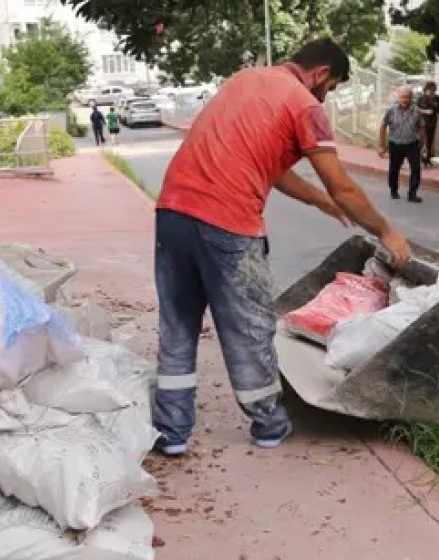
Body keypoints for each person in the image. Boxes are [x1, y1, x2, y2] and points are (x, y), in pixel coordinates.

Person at [151, 37, 412, 455]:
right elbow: (342, 184)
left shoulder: (244, 81)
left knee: (178, 326)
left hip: (173, 213)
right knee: (249, 328)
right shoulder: (303, 104)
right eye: (334, 87)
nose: (329, 97)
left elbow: (267, 167)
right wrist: (387, 232)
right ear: (322, 74)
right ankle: (269, 423)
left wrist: (318, 201)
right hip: (228, 224)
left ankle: (171, 432)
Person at [377, 86, 427, 203]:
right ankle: (393, 190)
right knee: (394, 168)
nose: (405, 100)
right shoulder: (391, 110)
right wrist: (381, 145)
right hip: (395, 144)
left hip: (412, 144)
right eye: (402, 97)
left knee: (416, 168)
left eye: (407, 97)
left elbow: (422, 128)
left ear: (411, 98)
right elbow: (383, 126)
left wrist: (424, 144)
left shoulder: (417, 111)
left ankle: (412, 194)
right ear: (398, 97)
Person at [417, 82, 439, 167]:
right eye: (428, 89)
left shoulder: (437, 99)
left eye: (432, 90)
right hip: (422, 122)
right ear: (425, 89)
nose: (430, 92)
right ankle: (420, 159)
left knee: (429, 141)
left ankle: (427, 159)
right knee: (422, 141)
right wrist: (425, 111)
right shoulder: (421, 98)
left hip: (432, 122)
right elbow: (416, 109)